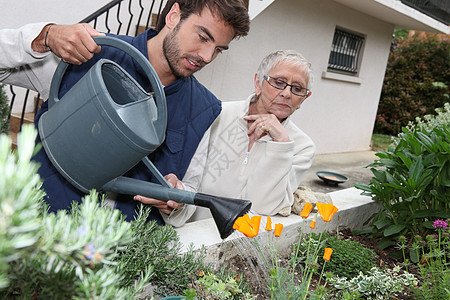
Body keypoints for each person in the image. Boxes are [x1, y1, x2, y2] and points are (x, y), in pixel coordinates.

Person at [1, 0, 250, 225]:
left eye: (218, 49)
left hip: (123, 261)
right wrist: (45, 36)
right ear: (174, 15)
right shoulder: (90, 53)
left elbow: (186, 201)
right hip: (37, 232)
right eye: (203, 37)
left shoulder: (204, 109)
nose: (207, 56)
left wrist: (176, 202)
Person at [198, 50, 316, 216]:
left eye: (297, 88)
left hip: (247, 236)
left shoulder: (302, 146)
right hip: (192, 232)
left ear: (304, 98)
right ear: (258, 83)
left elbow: (262, 207)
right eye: (279, 82)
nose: (286, 93)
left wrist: (281, 144)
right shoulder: (217, 114)